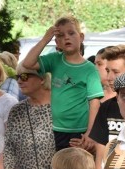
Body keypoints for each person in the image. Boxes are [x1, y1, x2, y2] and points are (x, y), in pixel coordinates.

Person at [21, 16, 103, 151]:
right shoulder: (54, 60)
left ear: (81, 37)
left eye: (71, 33)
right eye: (60, 35)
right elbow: (28, 63)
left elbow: (94, 102)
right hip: (55, 129)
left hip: (79, 131)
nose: (66, 38)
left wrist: (90, 133)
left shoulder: (89, 69)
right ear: (56, 42)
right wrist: (45, 39)